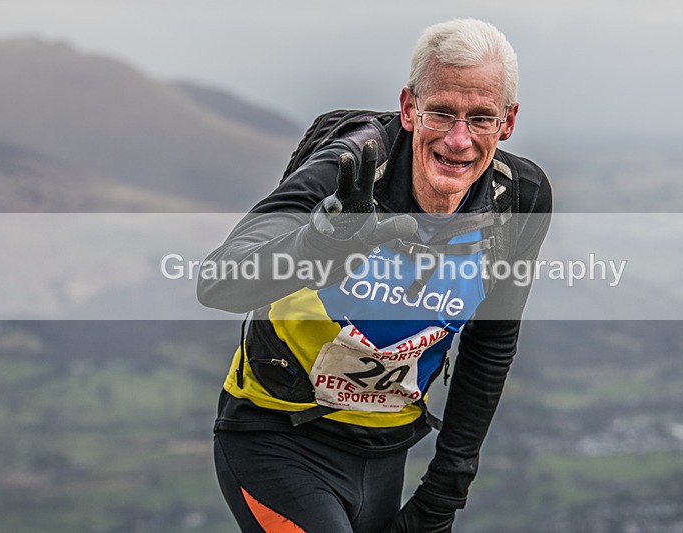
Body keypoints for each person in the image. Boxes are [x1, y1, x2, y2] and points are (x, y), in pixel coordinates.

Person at [198, 18, 552, 532]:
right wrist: (319, 245)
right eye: (441, 112)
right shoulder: (349, 170)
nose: (459, 139)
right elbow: (219, 281)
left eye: (481, 118)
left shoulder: (518, 199)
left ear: (508, 121)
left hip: (386, 453)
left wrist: (441, 500)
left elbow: (491, 346)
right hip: (275, 438)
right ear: (408, 108)